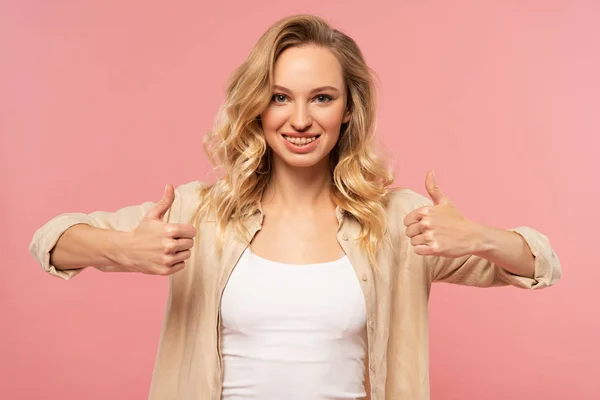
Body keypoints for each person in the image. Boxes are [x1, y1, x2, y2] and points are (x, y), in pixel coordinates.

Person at [29, 14, 561, 400]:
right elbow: (52, 239)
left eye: (322, 98)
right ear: (257, 106)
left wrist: (481, 238)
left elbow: (541, 263)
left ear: (349, 109)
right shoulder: (200, 213)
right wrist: (121, 248)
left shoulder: (399, 223)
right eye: (281, 97)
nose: (300, 119)